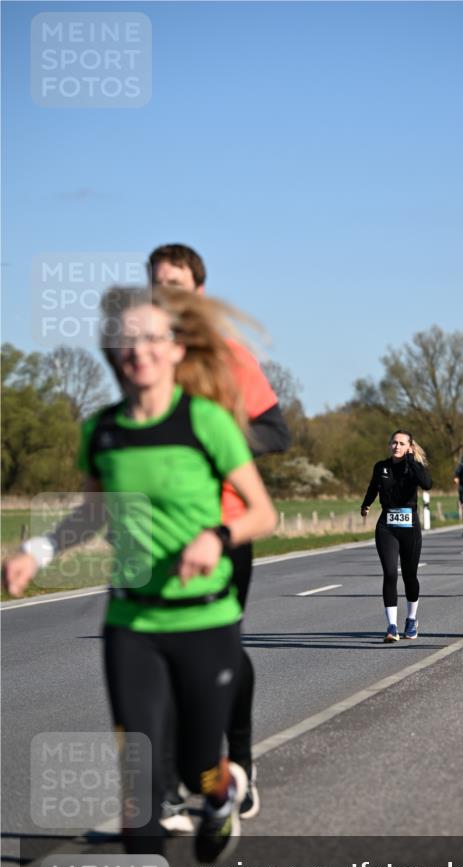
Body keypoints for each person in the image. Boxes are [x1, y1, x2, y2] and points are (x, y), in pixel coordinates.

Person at [3, 286, 277, 867]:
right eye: (126, 342)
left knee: (196, 771)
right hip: (131, 628)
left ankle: (218, 797)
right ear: (112, 354)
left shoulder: (207, 423)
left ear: (176, 349)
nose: (139, 353)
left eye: (153, 339)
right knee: (139, 785)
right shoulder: (102, 429)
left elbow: (262, 514)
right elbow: (92, 512)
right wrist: (36, 551)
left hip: (206, 623)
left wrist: (217, 538)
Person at [149, 243, 290, 825]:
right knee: (160, 662)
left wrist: (215, 446)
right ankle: (184, 786)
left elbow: (275, 432)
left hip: (226, 524)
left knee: (217, 652)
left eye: (177, 282)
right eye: (157, 283)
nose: (167, 292)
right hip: (158, 531)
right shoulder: (145, 357)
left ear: (199, 291)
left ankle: (239, 770)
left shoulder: (231, 356)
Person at [361, 431, 432, 641]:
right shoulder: (381, 467)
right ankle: (391, 626)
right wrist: (366, 504)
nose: (396, 446)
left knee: (410, 576)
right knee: (390, 573)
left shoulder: (414, 467)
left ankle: (411, 619)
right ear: (389, 444)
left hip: (410, 526)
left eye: (401, 443)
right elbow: (373, 487)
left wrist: (411, 460)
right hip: (387, 526)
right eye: (394, 442)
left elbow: (427, 484)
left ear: (409, 446)